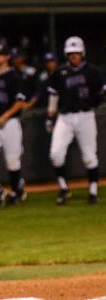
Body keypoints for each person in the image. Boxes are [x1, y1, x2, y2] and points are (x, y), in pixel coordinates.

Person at [47, 36, 105, 205]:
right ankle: (64, 189)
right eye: (71, 53)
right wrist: (50, 117)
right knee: (56, 155)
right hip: (64, 118)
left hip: (86, 116)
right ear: (66, 54)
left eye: (77, 52)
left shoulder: (93, 71)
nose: (74, 55)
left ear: (82, 53)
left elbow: (102, 91)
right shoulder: (60, 72)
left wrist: (98, 101)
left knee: (89, 156)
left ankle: (93, 192)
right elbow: (53, 95)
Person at [0, 44, 28, 207]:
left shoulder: (15, 76)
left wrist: (5, 116)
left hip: (10, 122)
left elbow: (20, 102)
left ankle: (17, 191)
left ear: (8, 57)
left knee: (12, 160)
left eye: (2, 54)